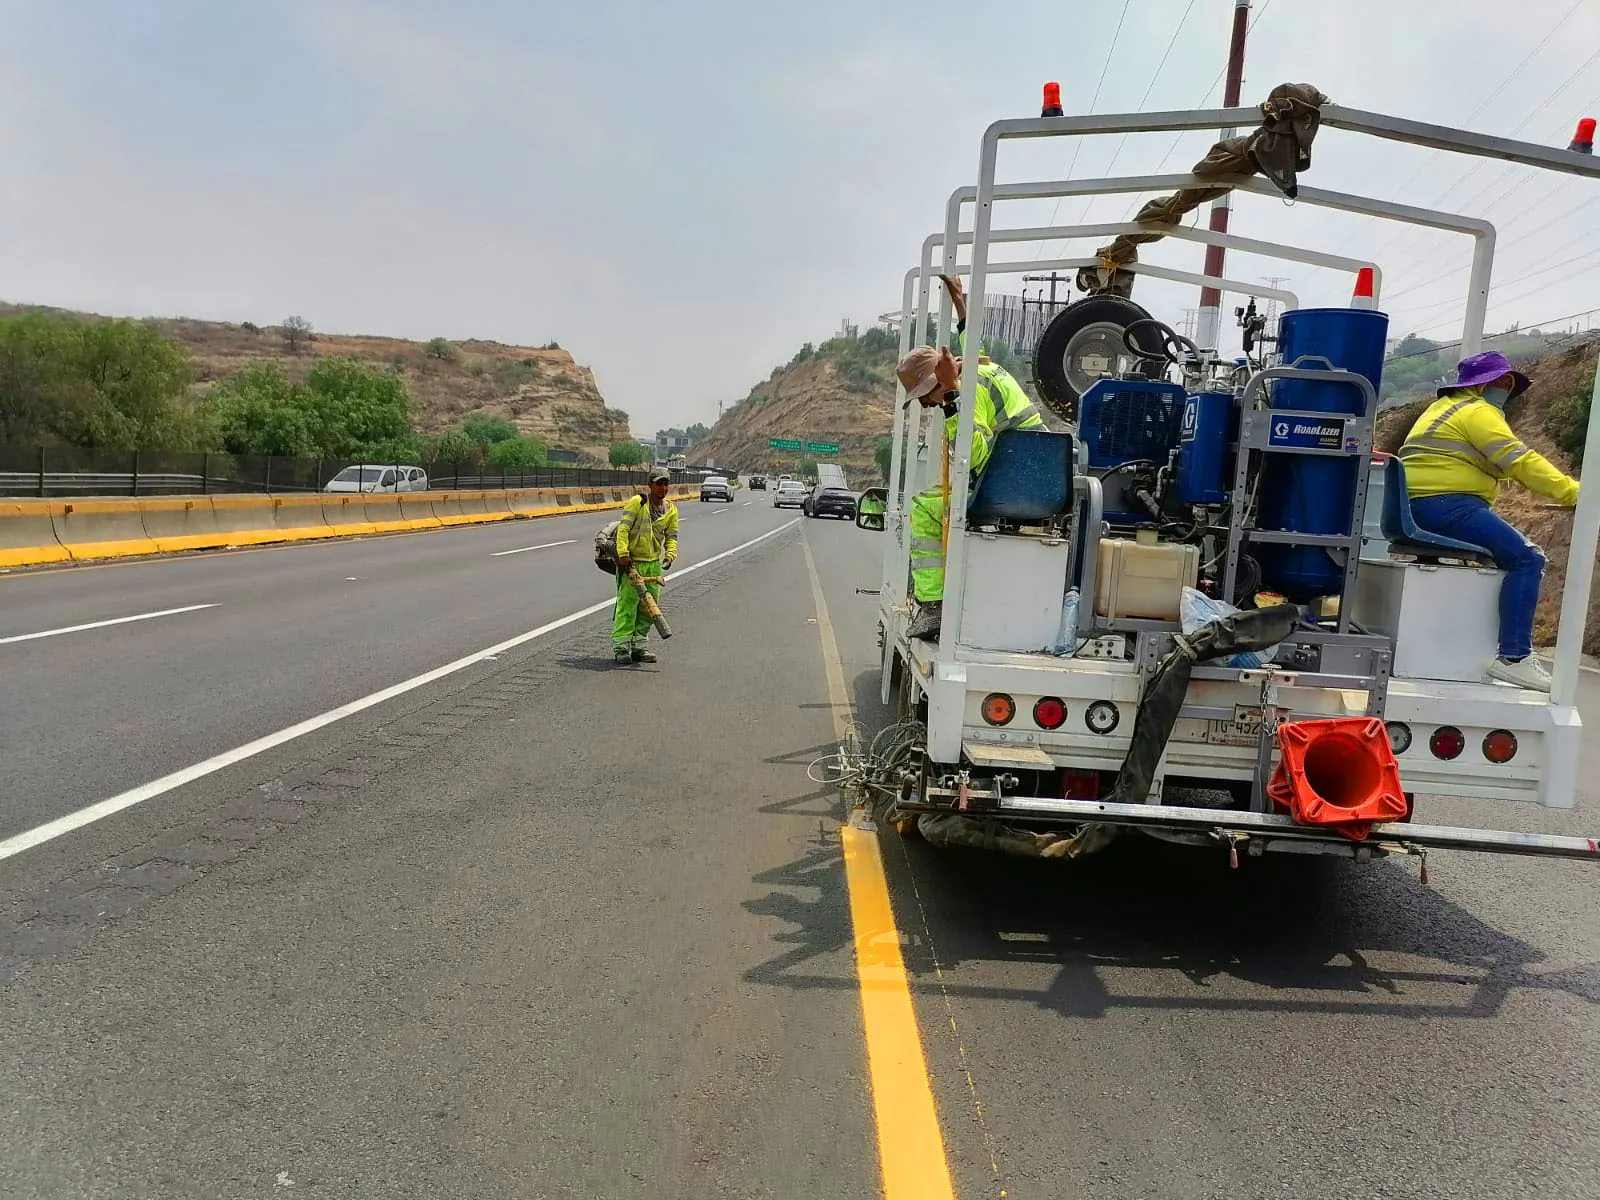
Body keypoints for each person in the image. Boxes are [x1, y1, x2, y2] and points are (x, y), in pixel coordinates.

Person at [1399, 350, 1579, 690]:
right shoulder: (1477, 411)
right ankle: (1514, 658)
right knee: (1528, 558)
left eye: (1509, 384)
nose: (1506, 390)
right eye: (1501, 382)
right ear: (1481, 385)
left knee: (1509, 556)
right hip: (1448, 506)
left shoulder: (1442, 409)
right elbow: (1519, 460)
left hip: (1423, 506)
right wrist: (1574, 493)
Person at [895, 276, 1048, 639]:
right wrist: (961, 304)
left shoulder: (966, 390)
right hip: (1030, 477)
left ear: (935, 383)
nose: (924, 404)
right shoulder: (976, 368)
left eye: (923, 396)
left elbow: (975, 456)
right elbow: (969, 341)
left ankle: (934, 606)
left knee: (924, 507)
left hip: (1011, 484)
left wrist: (950, 396)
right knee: (940, 498)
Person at [612, 467, 679, 665]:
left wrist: (670, 555)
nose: (663, 488)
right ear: (650, 485)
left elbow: (672, 537)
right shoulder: (638, 503)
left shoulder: (671, 510)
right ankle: (621, 648)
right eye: (659, 484)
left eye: (666, 484)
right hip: (632, 564)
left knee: (649, 609)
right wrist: (623, 554)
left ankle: (640, 647)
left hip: (653, 566)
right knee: (627, 606)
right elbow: (623, 529)